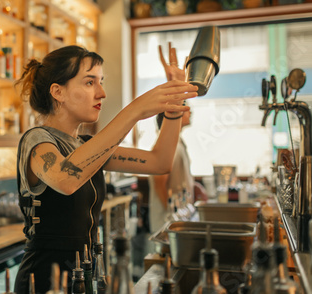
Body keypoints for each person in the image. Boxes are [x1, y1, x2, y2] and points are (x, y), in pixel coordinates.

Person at [14, 44, 198, 293]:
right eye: (90, 82)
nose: (101, 93)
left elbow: (160, 161)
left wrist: (174, 103)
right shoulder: (37, 141)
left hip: (86, 273)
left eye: (101, 82)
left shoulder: (88, 147)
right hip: (46, 278)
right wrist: (135, 110)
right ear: (58, 92)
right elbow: (66, 179)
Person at [148, 45, 208, 233]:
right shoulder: (167, 145)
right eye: (184, 107)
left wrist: (193, 186)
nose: (190, 111)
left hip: (179, 217)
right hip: (167, 222)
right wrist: (172, 211)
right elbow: (159, 181)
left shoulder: (178, 142)